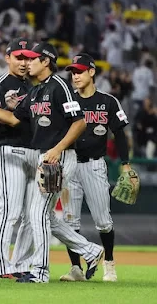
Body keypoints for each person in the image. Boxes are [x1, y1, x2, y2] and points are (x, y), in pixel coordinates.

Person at [0, 43, 104, 283]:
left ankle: (40, 272)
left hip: (59, 156)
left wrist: (57, 149)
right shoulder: (35, 91)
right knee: (45, 216)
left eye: (33, 58)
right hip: (44, 156)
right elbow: (13, 119)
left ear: (46, 61)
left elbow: (80, 123)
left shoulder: (59, 86)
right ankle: (91, 251)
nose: (28, 63)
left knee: (36, 213)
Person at [60, 53, 129, 282]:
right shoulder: (68, 99)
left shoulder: (108, 101)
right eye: (72, 72)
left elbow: (119, 133)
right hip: (70, 165)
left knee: (103, 221)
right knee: (70, 222)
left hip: (94, 166)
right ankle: (75, 268)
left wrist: (126, 164)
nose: (75, 76)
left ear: (91, 72)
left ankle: (109, 263)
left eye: (79, 71)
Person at [0, 38, 38, 279]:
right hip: (8, 150)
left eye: (28, 58)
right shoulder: (3, 83)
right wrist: (10, 112)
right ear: (8, 58)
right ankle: (0, 266)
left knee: (31, 215)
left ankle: (19, 263)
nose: (24, 62)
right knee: (10, 211)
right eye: (19, 57)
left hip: (33, 152)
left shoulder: (34, 86)